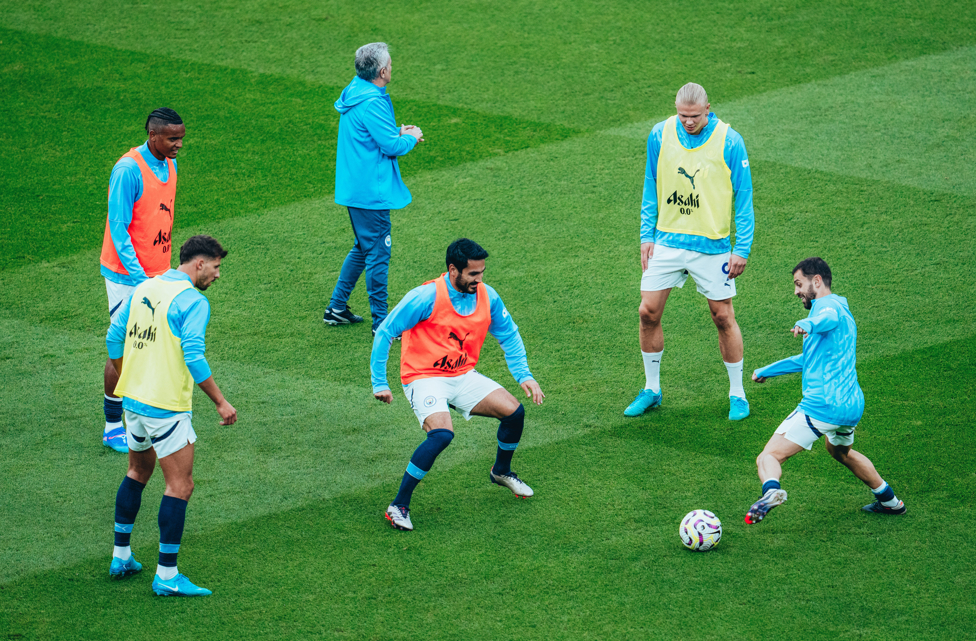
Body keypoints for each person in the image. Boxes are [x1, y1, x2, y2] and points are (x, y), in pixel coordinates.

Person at [371, 239, 545, 531]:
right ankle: (398, 505)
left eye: (482, 273)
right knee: (441, 435)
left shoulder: (487, 296)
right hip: (423, 377)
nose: (480, 280)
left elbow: (509, 334)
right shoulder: (425, 297)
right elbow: (386, 331)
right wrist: (380, 382)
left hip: (462, 375)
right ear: (454, 270)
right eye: (473, 274)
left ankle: (501, 471)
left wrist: (524, 375)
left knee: (514, 413)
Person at [106, 235, 237, 596]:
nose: (217, 275)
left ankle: (121, 556)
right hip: (165, 406)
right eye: (216, 267)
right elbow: (194, 356)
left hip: (131, 402)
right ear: (199, 263)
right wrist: (220, 402)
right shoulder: (192, 302)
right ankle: (166, 576)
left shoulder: (144, 287)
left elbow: (113, 336)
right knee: (180, 485)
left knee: (137, 470)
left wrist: (127, 373)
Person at [625, 83, 755, 421]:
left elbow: (744, 196)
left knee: (723, 316)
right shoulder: (659, 134)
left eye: (694, 116)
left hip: (711, 247)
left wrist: (741, 248)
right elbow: (650, 184)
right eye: (683, 115)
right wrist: (646, 236)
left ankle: (737, 394)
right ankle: (652, 389)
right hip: (667, 241)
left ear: (708, 109)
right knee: (647, 312)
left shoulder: (729, 140)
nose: (688, 122)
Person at [744, 257, 905, 524]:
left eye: (799, 284)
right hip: (851, 406)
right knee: (840, 452)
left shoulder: (827, 308)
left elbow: (826, 319)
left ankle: (771, 491)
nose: (796, 291)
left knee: (769, 456)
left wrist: (807, 324)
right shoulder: (842, 311)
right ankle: (890, 502)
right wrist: (766, 370)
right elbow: (806, 360)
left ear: (816, 281)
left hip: (822, 406)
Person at [100, 108, 186, 453]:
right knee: (124, 347)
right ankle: (111, 424)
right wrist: (140, 280)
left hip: (158, 272)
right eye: (172, 138)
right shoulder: (128, 170)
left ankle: (143, 414)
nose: (179, 144)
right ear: (153, 136)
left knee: (151, 344)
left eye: (181, 138)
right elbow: (118, 228)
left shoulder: (170, 164)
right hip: (127, 277)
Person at [324, 42, 424, 335]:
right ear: (382, 71)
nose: (392, 68)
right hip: (370, 192)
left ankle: (337, 308)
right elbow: (390, 146)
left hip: (356, 187)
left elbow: (373, 135)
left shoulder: (355, 91)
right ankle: (382, 323)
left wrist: (396, 132)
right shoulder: (373, 101)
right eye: (390, 64)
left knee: (364, 248)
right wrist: (410, 137)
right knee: (379, 252)